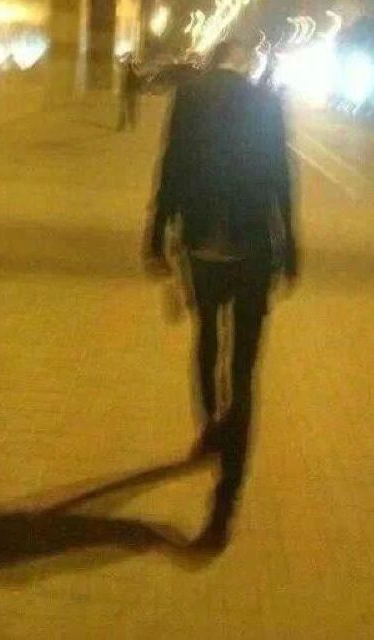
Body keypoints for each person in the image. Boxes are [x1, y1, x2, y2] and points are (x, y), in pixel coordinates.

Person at [143, 39, 299, 551]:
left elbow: (170, 169)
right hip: (254, 253)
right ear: (247, 67)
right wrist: (291, 247)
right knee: (245, 371)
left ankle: (211, 422)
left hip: (203, 249)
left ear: (211, 65)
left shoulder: (189, 99)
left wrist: (156, 234)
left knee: (208, 338)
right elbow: (281, 180)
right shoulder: (267, 103)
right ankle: (224, 504)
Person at [117, 55, 141, 131]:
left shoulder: (135, 68)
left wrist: (132, 67)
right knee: (123, 109)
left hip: (132, 92)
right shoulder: (125, 69)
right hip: (127, 92)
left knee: (131, 109)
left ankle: (132, 125)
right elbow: (123, 81)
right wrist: (121, 91)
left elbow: (138, 76)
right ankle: (122, 125)